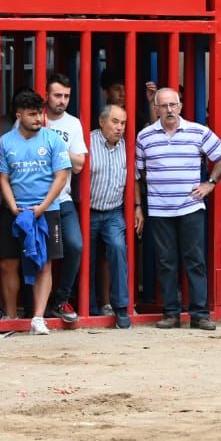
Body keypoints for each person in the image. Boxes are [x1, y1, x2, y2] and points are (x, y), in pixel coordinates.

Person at [136, 87, 221, 330]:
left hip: (190, 207)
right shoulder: (144, 136)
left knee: (195, 260)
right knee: (166, 262)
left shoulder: (198, 131)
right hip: (159, 209)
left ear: (180, 106)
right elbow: (139, 174)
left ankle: (199, 314)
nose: (169, 110)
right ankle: (171, 314)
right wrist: (140, 204)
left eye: (172, 105)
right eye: (163, 105)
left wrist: (210, 183)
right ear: (156, 109)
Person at [0, 89, 72, 337]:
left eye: (39, 113)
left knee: (45, 265)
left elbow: (61, 177)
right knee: (8, 263)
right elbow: (4, 178)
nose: (39, 118)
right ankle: (11, 316)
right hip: (14, 211)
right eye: (32, 114)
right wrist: (12, 206)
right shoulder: (6, 141)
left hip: (47, 211)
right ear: (19, 115)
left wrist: (41, 207)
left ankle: (38, 318)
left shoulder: (53, 140)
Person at [41, 73, 87, 325]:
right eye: (57, 95)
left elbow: (79, 164)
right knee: (39, 253)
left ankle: (61, 298)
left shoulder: (73, 124)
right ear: (46, 95)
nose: (62, 101)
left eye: (66, 96)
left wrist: (53, 143)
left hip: (63, 197)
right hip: (36, 197)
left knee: (75, 245)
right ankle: (33, 305)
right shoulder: (35, 118)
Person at [86, 103, 131, 330]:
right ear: (102, 122)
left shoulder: (127, 146)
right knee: (87, 258)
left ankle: (121, 307)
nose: (120, 127)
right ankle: (89, 306)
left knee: (118, 249)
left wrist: (138, 206)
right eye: (115, 122)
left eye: (123, 123)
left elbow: (135, 179)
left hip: (114, 210)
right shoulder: (88, 142)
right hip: (88, 210)